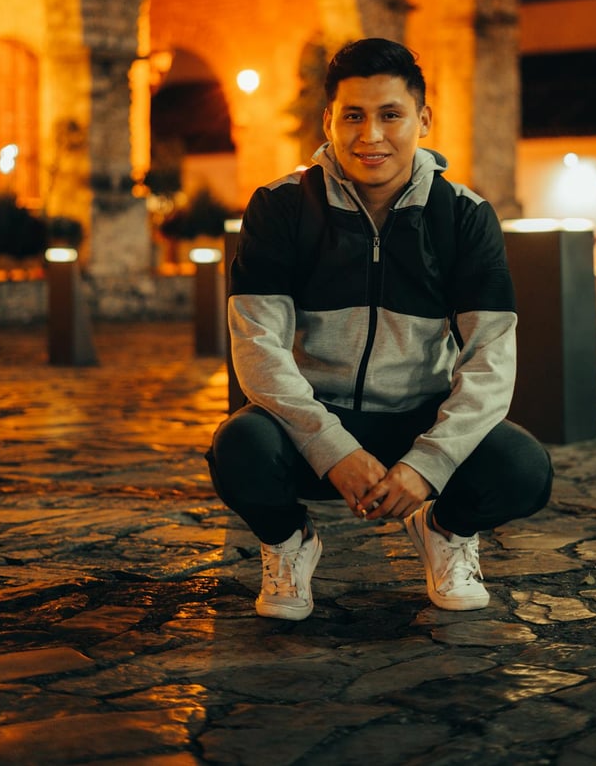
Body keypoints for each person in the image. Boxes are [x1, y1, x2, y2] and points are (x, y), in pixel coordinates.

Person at [207, 38, 552, 620]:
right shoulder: (280, 207)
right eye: (354, 116)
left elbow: (491, 359)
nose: (371, 136)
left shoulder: (464, 215)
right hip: (312, 418)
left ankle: (443, 530)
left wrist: (429, 465)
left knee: (523, 468)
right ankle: (290, 541)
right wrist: (332, 448)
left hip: (419, 418)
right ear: (329, 121)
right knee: (239, 446)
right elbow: (258, 348)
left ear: (423, 120)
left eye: (391, 115)